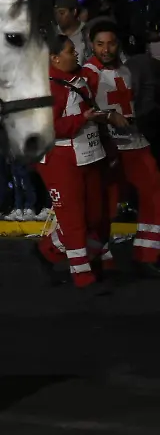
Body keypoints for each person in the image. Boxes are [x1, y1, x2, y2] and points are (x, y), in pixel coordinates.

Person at [81, 19, 160, 277]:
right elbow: (82, 113)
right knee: (105, 208)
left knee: (154, 193)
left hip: (135, 142)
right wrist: (108, 117)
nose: (106, 49)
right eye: (100, 44)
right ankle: (55, 252)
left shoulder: (125, 70)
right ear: (91, 45)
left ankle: (147, 254)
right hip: (107, 148)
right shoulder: (86, 75)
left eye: (111, 43)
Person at [34, 35, 111, 287]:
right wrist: (83, 119)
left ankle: (47, 250)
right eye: (70, 51)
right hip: (61, 160)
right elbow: (48, 127)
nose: (75, 54)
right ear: (55, 58)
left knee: (93, 216)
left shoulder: (79, 78)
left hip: (88, 155)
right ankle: (82, 276)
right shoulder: (47, 88)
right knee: (73, 219)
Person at [54, 0, 91, 65]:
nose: (58, 16)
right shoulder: (52, 33)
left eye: (62, 13)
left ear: (74, 12)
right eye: (56, 13)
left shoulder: (87, 33)